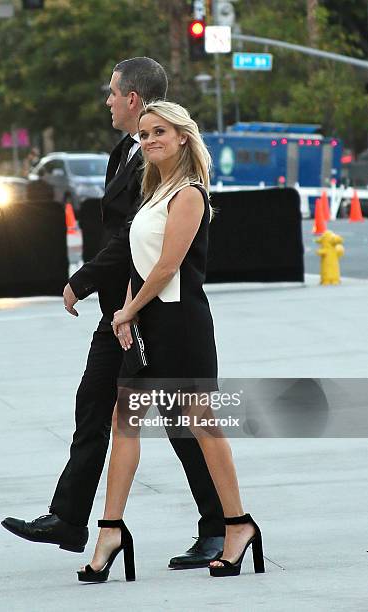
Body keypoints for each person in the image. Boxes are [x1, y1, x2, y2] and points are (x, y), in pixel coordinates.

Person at [1, 58, 225, 568]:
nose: (107, 101)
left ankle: (221, 526)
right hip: (120, 312)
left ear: (135, 99)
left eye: (112, 93)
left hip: (148, 312)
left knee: (181, 421)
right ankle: (71, 517)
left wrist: (84, 280)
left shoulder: (165, 169)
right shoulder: (123, 152)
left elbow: (136, 241)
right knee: (94, 406)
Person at [77, 101, 264, 582]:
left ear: (183, 136)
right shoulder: (154, 192)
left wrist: (128, 310)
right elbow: (138, 263)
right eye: (143, 134)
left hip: (181, 327)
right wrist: (124, 312)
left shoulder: (190, 194)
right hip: (147, 325)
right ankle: (110, 530)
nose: (150, 140)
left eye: (159, 131)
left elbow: (167, 268)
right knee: (126, 426)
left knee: (204, 428)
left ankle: (238, 524)